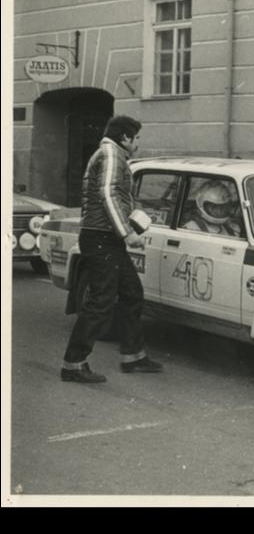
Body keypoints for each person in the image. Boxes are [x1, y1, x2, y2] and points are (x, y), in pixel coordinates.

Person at [61, 115, 163, 383]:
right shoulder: (111, 155)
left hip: (105, 237)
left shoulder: (111, 154)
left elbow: (116, 195)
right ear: (125, 138)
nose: (138, 143)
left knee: (132, 293)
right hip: (101, 238)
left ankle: (133, 356)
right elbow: (108, 194)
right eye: (136, 138)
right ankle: (73, 364)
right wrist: (127, 233)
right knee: (101, 302)